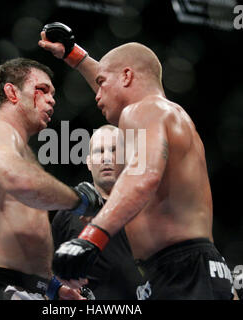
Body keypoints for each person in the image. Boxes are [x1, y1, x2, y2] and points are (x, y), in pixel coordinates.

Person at [39, 23, 236, 299]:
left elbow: (144, 176)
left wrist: (91, 237)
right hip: (194, 268)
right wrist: (75, 55)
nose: (96, 94)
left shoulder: (142, 111)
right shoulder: (166, 113)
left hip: (181, 271)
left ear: (128, 76)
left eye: (100, 84)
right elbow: (113, 76)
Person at [0, 57, 101, 300]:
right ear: (12, 92)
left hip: (26, 288)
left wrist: (54, 287)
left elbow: (22, 235)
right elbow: (18, 180)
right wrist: (79, 199)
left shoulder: (20, 152)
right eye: (42, 90)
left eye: (53, 93)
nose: (51, 99)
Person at [52, 125, 142, 299]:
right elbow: (47, 270)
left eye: (114, 150)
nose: (106, 158)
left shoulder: (144, 211)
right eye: (99, 152)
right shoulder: (68, 214)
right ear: (88, 162)